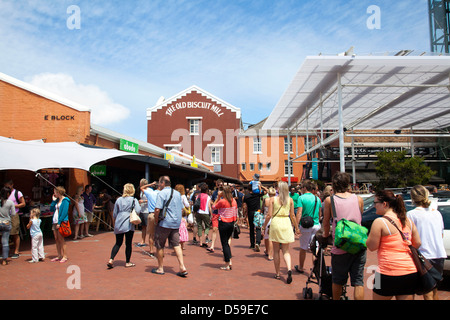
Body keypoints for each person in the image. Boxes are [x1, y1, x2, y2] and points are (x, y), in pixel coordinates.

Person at [366, 190, 421, 300]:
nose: (374, 206)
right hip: (409, 272)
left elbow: (372, 247)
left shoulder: (380, 222)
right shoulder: (408, 221)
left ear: (384, 204)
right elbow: (418, 243)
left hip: (386, 273)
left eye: (375, 203)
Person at [322, 172, 365, 300]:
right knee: (358, 281)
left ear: (334, 185)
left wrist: (325, 234)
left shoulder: (330, 200)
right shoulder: (358, 199)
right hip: (358, 243)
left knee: (338, 280)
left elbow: (326, 221)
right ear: (348, 184)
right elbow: (359, 218)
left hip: (341, 244)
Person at [407, 185, 446, 300]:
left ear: (413, 198)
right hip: (439, 254)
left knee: (427, 290)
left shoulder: (411, 215)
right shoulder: (436, 213)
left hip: (424, 255)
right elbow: (441, 234)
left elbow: (409, 237)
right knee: (434, 289)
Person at [262, 181, 299, 284]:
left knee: (276, 250)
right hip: (286, 222)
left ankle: (278, 273)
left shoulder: (273, 199)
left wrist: (264, 226)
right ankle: (289, 269)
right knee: (286, 251)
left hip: (276, 222)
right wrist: (296, 227)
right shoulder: (290, 200)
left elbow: (269, 215)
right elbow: (292, 216)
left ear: (278, 189)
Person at [152, 176, 188, 277]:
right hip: (176, 223)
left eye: (159, 183)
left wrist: (156, 220)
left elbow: (157, 209)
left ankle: (160, 268)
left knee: (160, 245)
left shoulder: (161, 193)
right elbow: (182, 209)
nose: (158, 185)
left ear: (163, 183)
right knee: (176, 245)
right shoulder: (177, 193)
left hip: (164, 223)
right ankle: (182, 266)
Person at [107, 183, 141, 269]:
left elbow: (114, 213)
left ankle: (111, 259)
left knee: (118, 242)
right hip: (129, 223)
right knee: (128, 243)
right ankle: (127, 262)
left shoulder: (119, 200)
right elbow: (138, 210)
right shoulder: (134, 200)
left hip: (119, 221)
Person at [295, 180, 322, 273]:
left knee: (303, 247)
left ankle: (301, 267)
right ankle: (315, 269)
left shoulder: (301, 198)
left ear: (305, 188)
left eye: (302, 188)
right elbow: (319, 213)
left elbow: (299, 213)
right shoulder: (317, 199)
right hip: (316, 224)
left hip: (306, 225)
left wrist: (296, 226)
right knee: (315, 248)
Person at [211, 185, 238, 270]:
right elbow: (235, 212)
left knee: (224, 243)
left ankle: (227, 263)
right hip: (231, 222)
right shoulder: (233, 200)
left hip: (223, 222)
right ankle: (229, 260)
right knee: (227, 242)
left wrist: (218, 197)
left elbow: (213, 207)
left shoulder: (222, 201)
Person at [4, 180, 25, 259]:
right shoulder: (4, 193)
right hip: (4, 215)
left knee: (15, 232)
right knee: (4, 233)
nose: (7, 188)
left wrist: (13, 206)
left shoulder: (17, 193)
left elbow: (23, 203)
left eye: (8, 186)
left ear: (12, 185)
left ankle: (16, 251)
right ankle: (5, 251)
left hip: (14, 214)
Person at [243, 183, 267, 252]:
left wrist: (245, 214)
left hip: (250, 212)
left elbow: (244, 206)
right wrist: (261, 186)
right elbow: (267, 191)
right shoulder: (257, 194)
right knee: (258, 228)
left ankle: (252, 244)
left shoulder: (246, 196)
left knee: (251, 228)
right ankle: (258, 242)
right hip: (257, 212)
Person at [50, 186, 70, 263]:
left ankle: (65, 255)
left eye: (55, 192)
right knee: (56, 239)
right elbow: (51, 209)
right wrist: (53, 201)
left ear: (58, 192)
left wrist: (59, 222)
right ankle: (59, 255)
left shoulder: (65, 200)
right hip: (54, 221)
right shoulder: (57, 200)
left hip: (60, 222)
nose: (54, 193)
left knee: (61, 239)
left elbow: (64, 212)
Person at [141, 180, 160, 257]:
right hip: (160, 215)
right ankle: (159, 250)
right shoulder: (162, 194)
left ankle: (151, 250)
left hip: (151, 214)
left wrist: (150, 184)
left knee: (151, 234)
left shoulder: (150, 193)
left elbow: (142, 187)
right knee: (160, 234)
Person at [0, 187, 15, 265]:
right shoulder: (10, 202)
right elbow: (13, 213)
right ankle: (4, 259)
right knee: (5, 241)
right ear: (8, 194)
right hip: (6, 222)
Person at [195, 183, 212, 248]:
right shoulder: (208, 197)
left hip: (198, 212)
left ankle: (200, 242)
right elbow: (209, 206)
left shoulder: (198, 196)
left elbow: (196, 204)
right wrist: (211, 214)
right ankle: (205, 237)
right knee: (207, 226)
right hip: (205, 212)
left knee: (199, 226)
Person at [262, 187, 276, 261]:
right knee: (271, 237)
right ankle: (270, 253)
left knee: (267, 237)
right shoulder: (277, 200)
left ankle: (268, 252)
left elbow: (263, 209)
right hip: (274, 219)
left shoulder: (266, 200)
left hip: (267, 218)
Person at [175, 184, 190, 250]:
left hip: (175, 212)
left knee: (176, 228)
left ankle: (176, 243)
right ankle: (182, 245)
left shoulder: (174, 195)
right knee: (183, 227)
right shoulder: (183, 196)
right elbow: (187, 204)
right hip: (182, 212)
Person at [137, 179, 150, 247]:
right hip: (142, 209)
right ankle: (143, 240)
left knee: (149, 226)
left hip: (147, 210)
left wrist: (143, 201)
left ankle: (151, 241)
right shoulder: (142, 191)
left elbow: (151, 199)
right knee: (143, 226)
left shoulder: (149, 191)